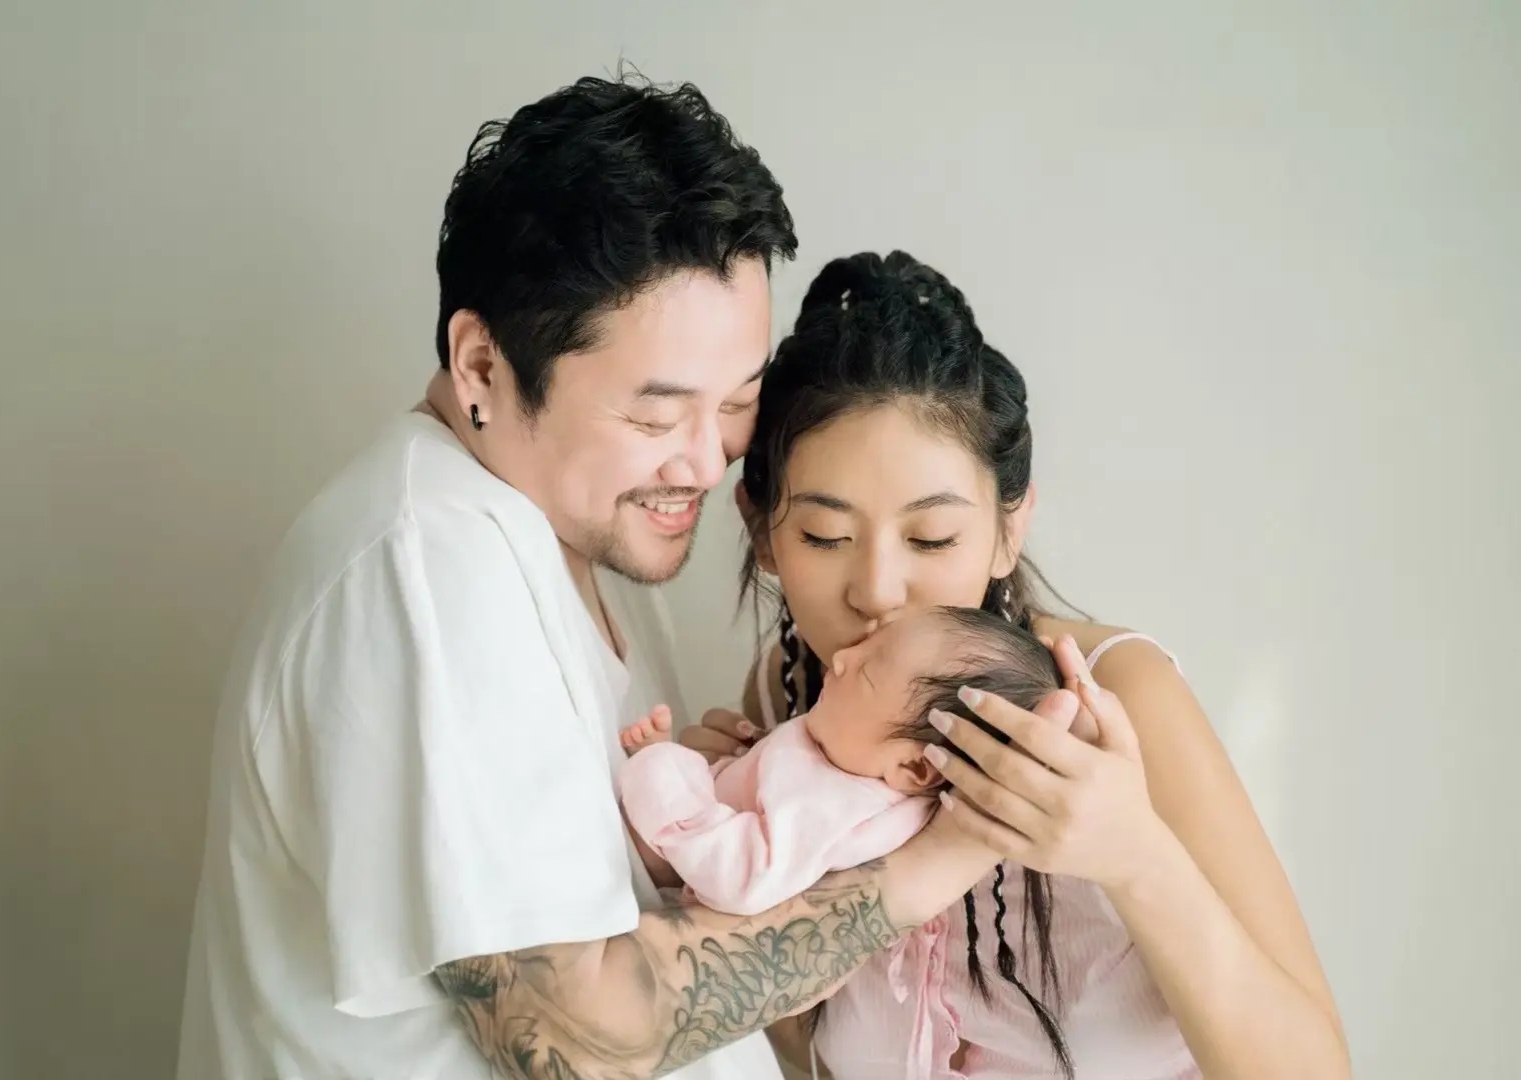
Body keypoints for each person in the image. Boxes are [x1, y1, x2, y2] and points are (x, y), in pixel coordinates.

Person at [175, 78, 1025, 1080]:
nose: (706, 464)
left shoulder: (566, 527)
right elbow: (575, 1040)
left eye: (736, 405)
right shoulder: (431, 566)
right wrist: (937, 858)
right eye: (656, 416)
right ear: (482, 366)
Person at [681, 252, 1351, 1079]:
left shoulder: (1117, 696)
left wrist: (1134, 856)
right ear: (763, 533)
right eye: (826, 537)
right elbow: (804, 1053)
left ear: (1009, 528)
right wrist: (710, 852)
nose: (879, 591)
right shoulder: (789, 700)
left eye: (932, 539)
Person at [617, 607, 1062, 920]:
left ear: (913, 769)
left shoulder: (840, 803)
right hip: (681, 829)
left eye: (867, 671)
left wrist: (665, 779)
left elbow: (743, 877)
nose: (842, 658)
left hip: (664, 866)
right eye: (866, 644)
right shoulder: (850, 752)